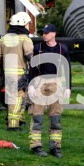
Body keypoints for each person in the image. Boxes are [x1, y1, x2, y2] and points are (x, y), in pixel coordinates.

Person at [28, 23, 71, 158]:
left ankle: (55, 147)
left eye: (46, 33)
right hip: (40, 82)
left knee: (55, 118)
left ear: (53, 34)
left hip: (56, 84)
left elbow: (67, 69)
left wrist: (68, 87)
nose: (44, 35)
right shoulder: (38, 48)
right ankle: (36, 146)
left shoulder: (62, 49)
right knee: (37, 116)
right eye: (43, 33)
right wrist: (30, 85)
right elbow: (32, 69)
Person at [0, 12, 34, 131]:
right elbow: (30, 56)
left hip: (7, 74)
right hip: (20, 73)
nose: (27, 26)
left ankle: (19, 120)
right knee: (19, 98)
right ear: (22, 24)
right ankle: (13, 124)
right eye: (27, 24)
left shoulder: (4, 39)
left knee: (14, 97)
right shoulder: (25, 39)